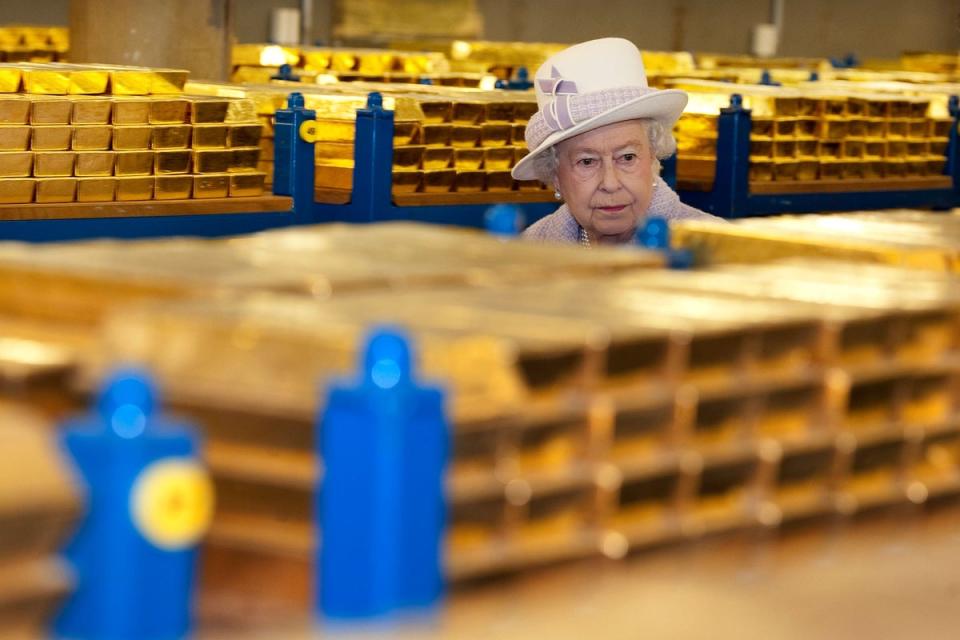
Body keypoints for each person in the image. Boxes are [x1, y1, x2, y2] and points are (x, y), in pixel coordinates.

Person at [511, 38, 720, 246]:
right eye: (587, 162)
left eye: (627, 157)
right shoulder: (530, 248)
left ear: (652, 157)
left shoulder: (713, 248)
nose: (610, 184)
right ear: (556, 176)